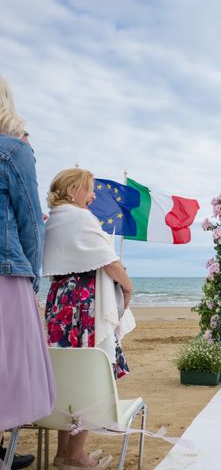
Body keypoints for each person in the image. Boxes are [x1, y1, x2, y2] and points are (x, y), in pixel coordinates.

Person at [43, 168, 135, 470]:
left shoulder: (55, 218)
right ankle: (76, 456)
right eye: (89, 189)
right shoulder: (80, 218)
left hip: (59, 299)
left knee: (65, 373)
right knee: (88, 373)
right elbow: (109, 261)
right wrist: (129, 287)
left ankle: (62, 453)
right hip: (85, 301)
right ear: (72, 190)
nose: (94, 195)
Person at [0, 75, 55, 470]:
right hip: (5, 270)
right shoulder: (13, 150)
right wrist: (32, 277)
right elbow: (31, 223)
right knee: (8, 367)